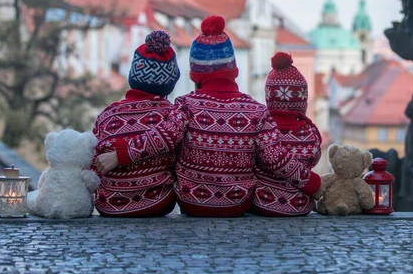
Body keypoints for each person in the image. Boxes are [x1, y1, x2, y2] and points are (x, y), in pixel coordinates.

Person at [174, 15, 323, 217]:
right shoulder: (256, 110)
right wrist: (312, 184)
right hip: (237, 203)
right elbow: (273, 157)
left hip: (190, 202)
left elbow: (164, 142)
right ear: (233, 70)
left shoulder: (185, 105)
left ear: (195, 73)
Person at [93, 30, 187, 217]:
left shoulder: (107, 115)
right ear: (170, 83)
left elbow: (93, 161)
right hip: (157, 202)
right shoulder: (172, 115)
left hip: (109, 204)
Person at [252, 52, 323, 216]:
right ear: (302, 100)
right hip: (299, 206)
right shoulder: (309, 131)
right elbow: (314, 159)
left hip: (263, 203)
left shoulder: (261, 126)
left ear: (269, 96)